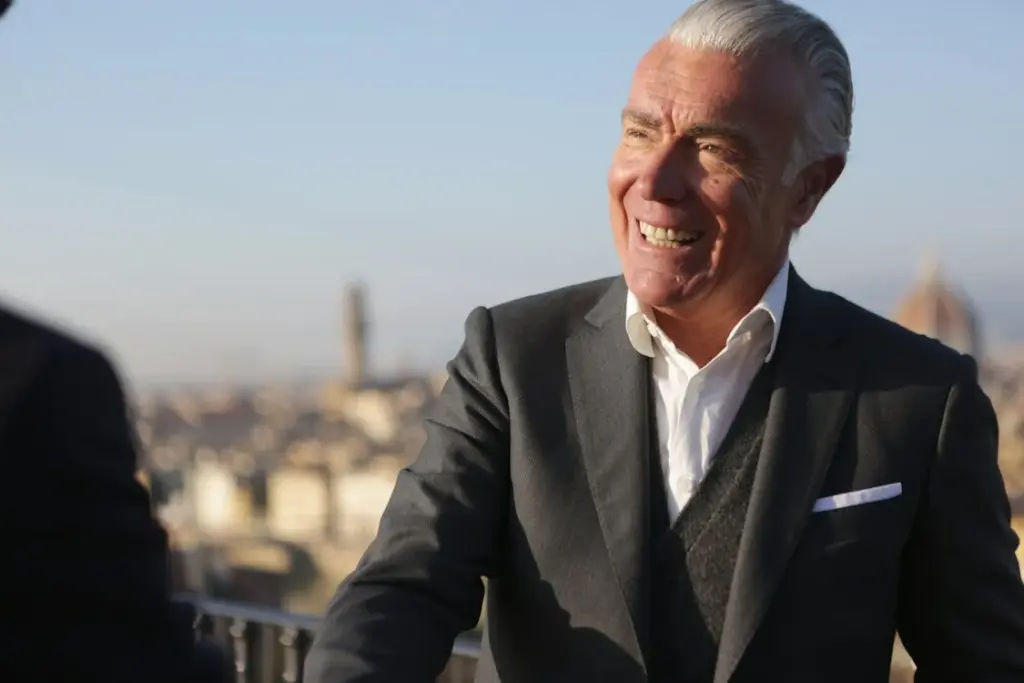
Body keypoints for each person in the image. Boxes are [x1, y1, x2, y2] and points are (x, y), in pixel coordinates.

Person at [305, 0, 1024, 681]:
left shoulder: (919, 399)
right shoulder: (513, 357)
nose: (654, 180)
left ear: (809, 187)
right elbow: (403, 588)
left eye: (711, 149)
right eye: (641, 133)